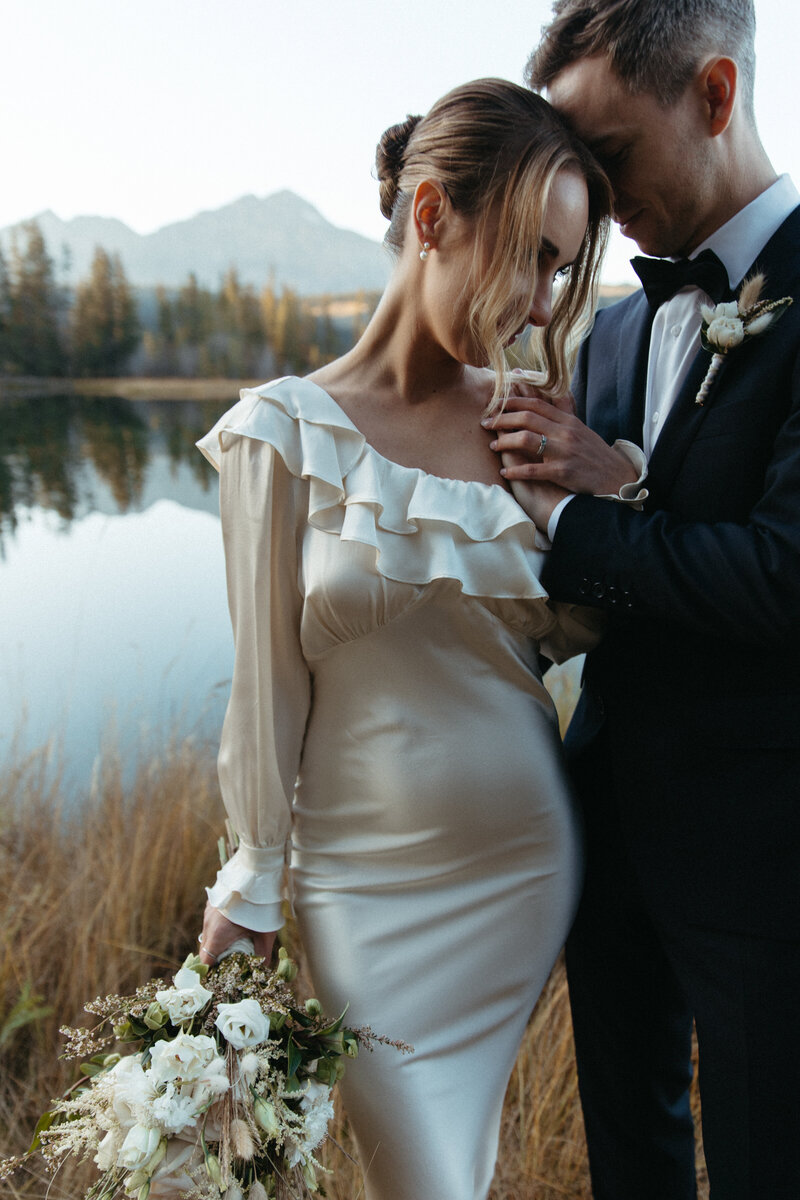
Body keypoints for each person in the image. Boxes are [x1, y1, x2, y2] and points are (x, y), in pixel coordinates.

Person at [193, 79, 633, 1200]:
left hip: (520, 871)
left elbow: (602, 607)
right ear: (430, 216)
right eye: (529, 255)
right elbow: (265, 689)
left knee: (454, 1171)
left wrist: (612, 476)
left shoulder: (531, 422)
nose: (540, 304)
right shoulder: (279, 433)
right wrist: (250, 883)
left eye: (558, 269)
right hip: (359, 895)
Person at [486, 3, 800, 1198]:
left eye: (608, 155)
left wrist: (588, 516)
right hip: (606, 837)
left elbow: (781, 576)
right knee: (630, 1159)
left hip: (767, 870)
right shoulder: (610, 332)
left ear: (713, 96)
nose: (594, 197)